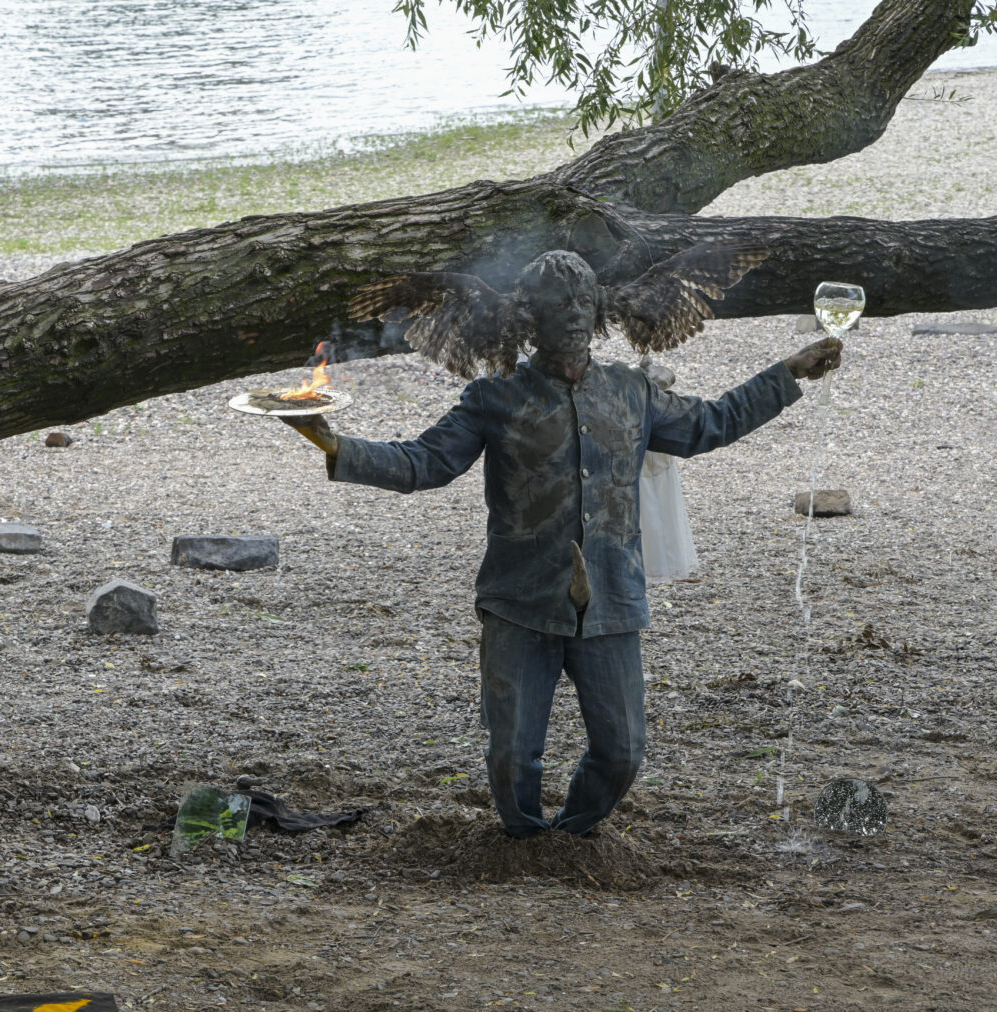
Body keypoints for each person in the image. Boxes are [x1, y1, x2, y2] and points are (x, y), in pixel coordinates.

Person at [289, 251, 841, 838]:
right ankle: (525, 842)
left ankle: (572, 839)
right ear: (530, 316)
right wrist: (335, 446)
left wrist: (787, 372)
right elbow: (425, 462)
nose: (573, 314)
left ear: (598, 310)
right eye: (558, 303)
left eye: (583, 302)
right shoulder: (495, 397)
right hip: (520, 601)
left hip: (611, 601)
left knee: (623, 750)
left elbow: (713, 423)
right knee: (511, 753)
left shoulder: (631, 391)